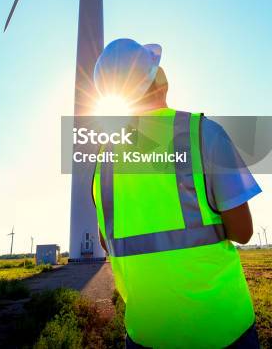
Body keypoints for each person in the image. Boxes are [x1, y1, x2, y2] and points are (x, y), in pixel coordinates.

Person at [92, 38, 261, 349]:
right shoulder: (202, 133)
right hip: (221, 329)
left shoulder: (103, 163)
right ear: (159, 80)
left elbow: (107, 241)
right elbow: (244, 231)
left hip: (147, 333)